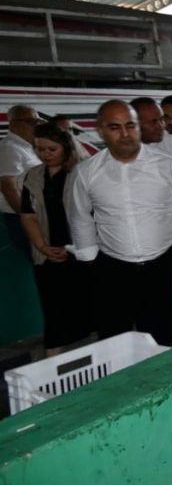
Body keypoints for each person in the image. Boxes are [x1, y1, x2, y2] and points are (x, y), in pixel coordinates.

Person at [66, 100, 172, 345]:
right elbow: (79, 217)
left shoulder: (168, 165)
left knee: (168, 334)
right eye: (115, 127)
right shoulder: (86, 172)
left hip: (166, 263)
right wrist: (91, 263)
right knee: (114, 338)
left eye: (130, 126)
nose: (125, 134)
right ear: (99, 129)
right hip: (113, 268)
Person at [19, 123, 92, 356]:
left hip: (80, 254)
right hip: (48, 255)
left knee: (88, 308)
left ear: (66, 147)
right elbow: (28, 215)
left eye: (52, 149)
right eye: (40, 149)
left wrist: (73, 247)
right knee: (53, 311)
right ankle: (53, 358)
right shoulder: (33, 176)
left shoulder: (81, 172)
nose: (45, 155)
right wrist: (42, 246)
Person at [1, 105, 43, 255]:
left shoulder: (27, 147)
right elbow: (7, 185)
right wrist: (27, 218)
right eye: (31, 121)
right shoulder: (10, 148)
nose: (37, 125)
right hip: (23, 219)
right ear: (14, 124)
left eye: (38, 121)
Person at [130, 97, 172, 174]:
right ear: (134, 123)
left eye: (161, 120)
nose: (160, 126)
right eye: (153, 122)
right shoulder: (118, 149)